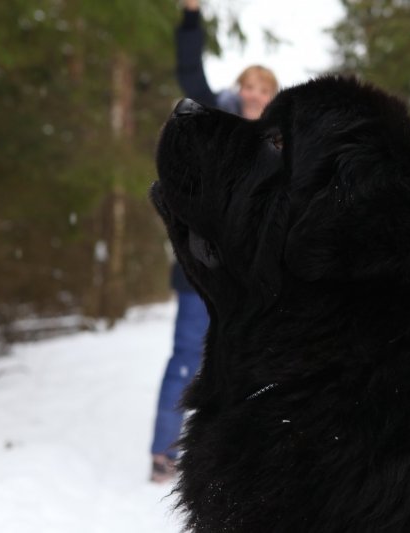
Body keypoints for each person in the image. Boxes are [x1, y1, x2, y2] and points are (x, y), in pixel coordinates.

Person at [150, 0, 279, 483]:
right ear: (236, 90)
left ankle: (239, 457)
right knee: (188, 357)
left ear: (273, 97)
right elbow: (190, 73)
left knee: (251, 365)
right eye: (247, 85)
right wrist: (189, 18)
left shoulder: (278, 146)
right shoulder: (213, 123)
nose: (252, 94)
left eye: (263, 88)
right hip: (198, 266)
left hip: (250, 275)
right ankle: (165, 450)